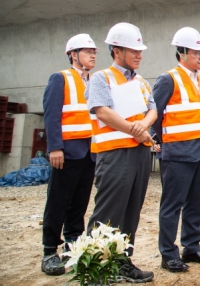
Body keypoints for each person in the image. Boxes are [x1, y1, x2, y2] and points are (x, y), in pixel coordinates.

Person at [86, 22, 157, 283]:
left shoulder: (141, 82)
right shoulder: (101, 78)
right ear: (116, 50)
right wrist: (134, 129)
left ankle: (122, 262)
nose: (139, 55)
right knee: (107, 212)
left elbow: (153, 110)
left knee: (130, 211)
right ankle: (94, 267)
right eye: (133, 50)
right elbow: (101, 110)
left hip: (138, 154)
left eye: (140, 50)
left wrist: (143, 126)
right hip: (114, 153)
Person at [151, 27, 200, 273]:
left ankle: (191, 247)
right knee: (172, 204)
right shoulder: (169, 79)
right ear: (182, 53)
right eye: (196, 52)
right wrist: (164, 143)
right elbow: (154, 114)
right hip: (177, 152)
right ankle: (168, 254)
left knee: (196, 203)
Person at [40, 34, 98, 276]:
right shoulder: (60, 78)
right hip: (67, 151)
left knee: (80, 201)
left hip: (90, 152)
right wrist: (55, 147)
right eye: (87, 51)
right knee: (58, 200)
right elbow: (51, 114)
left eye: (95, 51)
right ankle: (49, 250)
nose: (93, 55)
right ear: (73, 55)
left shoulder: (95, 80)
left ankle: (73, 243)